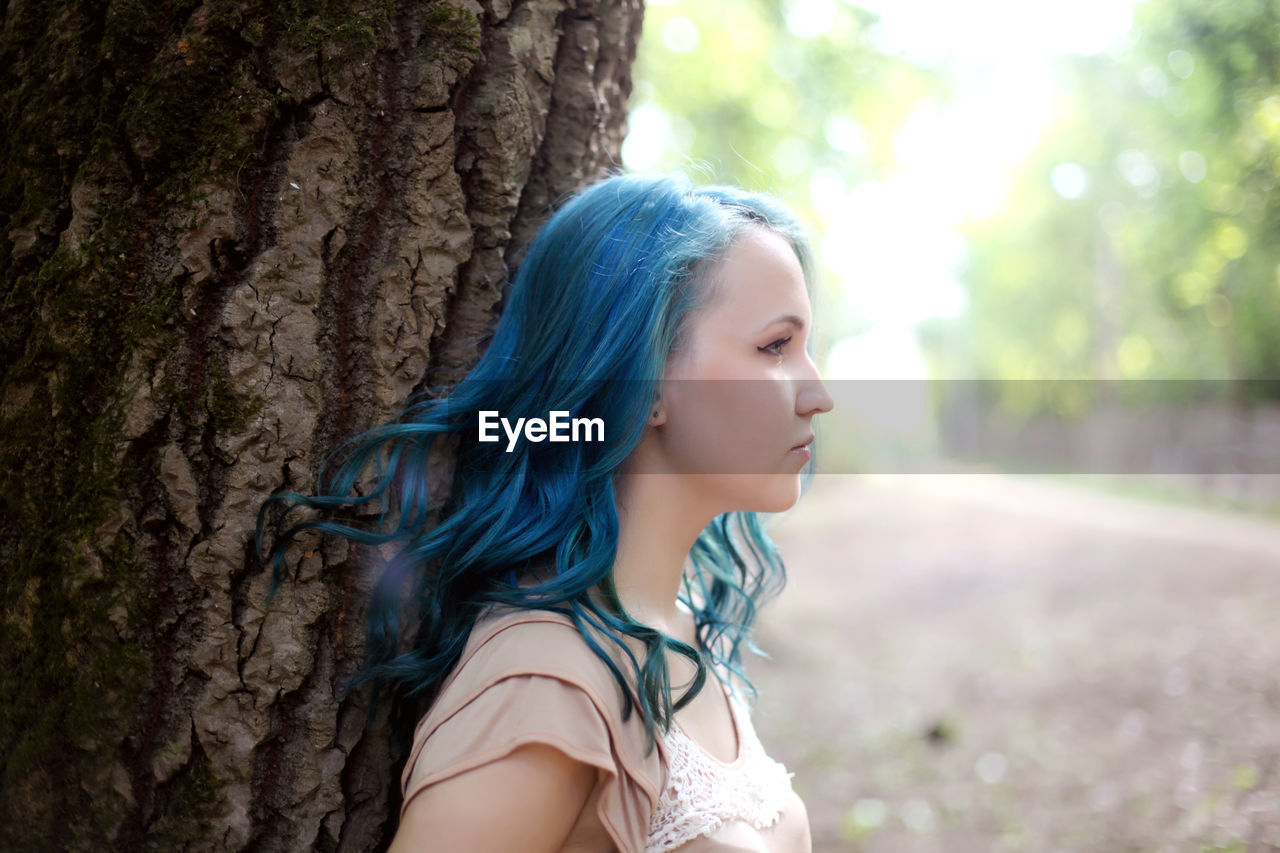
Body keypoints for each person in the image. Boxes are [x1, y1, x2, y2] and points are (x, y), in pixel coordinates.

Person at [256, 172, 833, 852]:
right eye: (774, 347)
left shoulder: (680, 619)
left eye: (804, 347)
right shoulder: (542, 682)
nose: (817, 392)